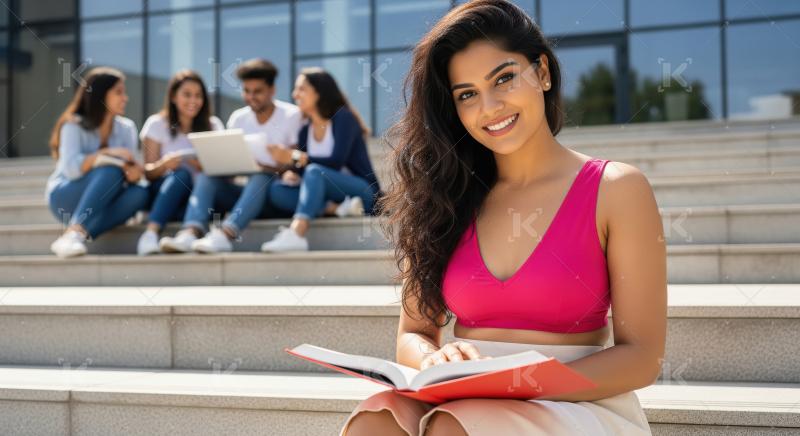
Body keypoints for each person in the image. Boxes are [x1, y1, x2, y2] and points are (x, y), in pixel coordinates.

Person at [339, 1, 666, 435]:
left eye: (505, 78)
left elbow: (642, 356)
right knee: (377, 418)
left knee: (458, 427)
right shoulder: (447, 198)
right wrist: (435, 360)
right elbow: (414, 334)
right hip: (465, 394)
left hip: (576, 401)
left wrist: (518, 383)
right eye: (467, 94)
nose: (490, 107)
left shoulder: (617, 188)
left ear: (543, 73)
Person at [158, 59, 301, 253]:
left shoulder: (291, 116)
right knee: (207, 177)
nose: (251, 97)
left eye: (257, 91)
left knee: (260, 177)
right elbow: (229, 169)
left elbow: (297, 164)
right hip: (243, 192)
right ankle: (190, 232)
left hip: (272, 192)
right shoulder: (238, 118)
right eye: (246, 91)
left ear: (272, 90)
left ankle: (225, 235)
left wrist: (268, 167)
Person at [259, 67, 382, 252]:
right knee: (277, 190)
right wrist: (291, 172)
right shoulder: (304, 130)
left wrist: (294, 157)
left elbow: (336, 161)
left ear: (319, 91)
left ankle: (297, 233)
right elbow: (303, 169)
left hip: (360, 191)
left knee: (314, 171)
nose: (295, 94)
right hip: (328, 193)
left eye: (301, 89)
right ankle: (335, 208)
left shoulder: (343, 118)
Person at [46, 67, 148, 258]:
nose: (125, 98)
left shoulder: (127, 128)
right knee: (109, 170)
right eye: (118, 92)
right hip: (66, 194)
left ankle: (77, 234)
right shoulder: (73, 125)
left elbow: (129, 171)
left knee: (140, 193)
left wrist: (134, 174)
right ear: (101, 94)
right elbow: (70, 169)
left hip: (105, 197)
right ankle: (75, 231)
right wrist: (105, 154)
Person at [136, 70, 224, 255]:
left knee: (200, 181)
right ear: (173, 96)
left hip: (198, 196)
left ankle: (187, 233)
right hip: (166, 189)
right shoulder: (156, 124)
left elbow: (224, 172)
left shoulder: (214, 125)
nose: (193, 100)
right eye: (187, 94)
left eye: (198, 95)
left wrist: (203, 165)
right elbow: (148, 173)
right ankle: (150, 234)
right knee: (181, 173)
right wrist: (165, 164)